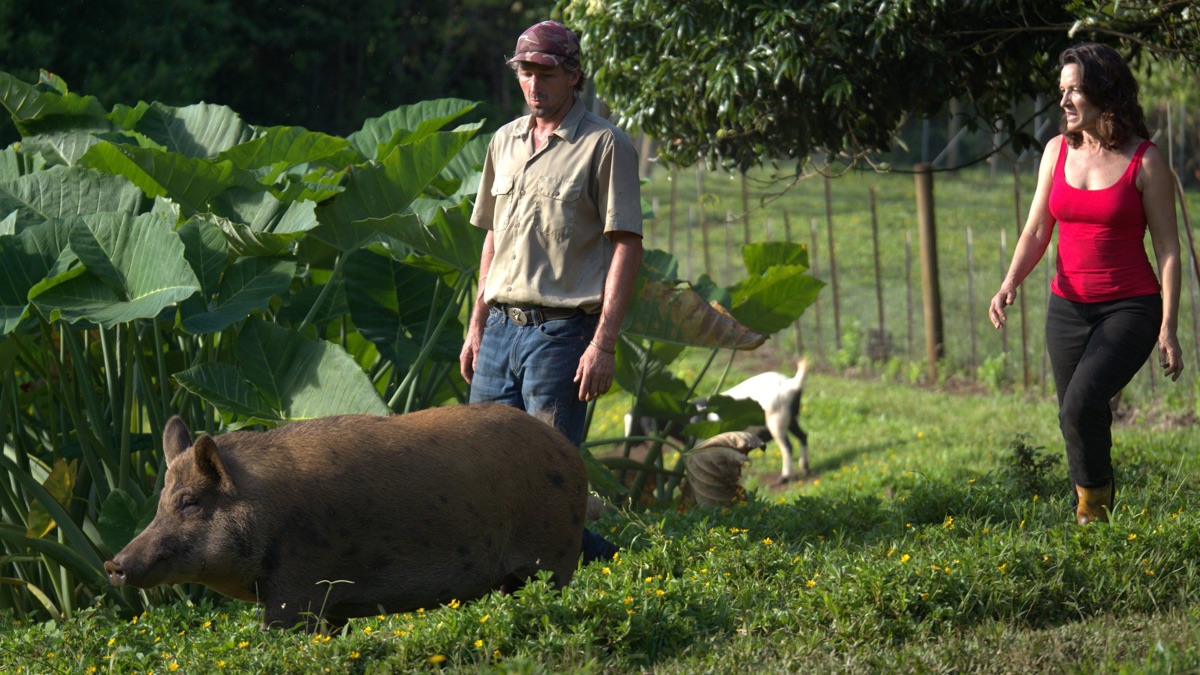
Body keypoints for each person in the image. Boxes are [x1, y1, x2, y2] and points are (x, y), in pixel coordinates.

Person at [460, 20, 644, 561]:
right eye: (525, 72)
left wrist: (603, 343)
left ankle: (594, 573)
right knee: (477, 468)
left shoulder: (604, 145)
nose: (533, 84)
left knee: (548, 482)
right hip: (498, 332)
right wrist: (476, 325)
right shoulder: (504, 142)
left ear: (573, 75)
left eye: (544, 72)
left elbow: (626, 245)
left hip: (562, 336)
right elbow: (494, 237)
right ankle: (501, 582)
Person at [989, 42, 1183, 525]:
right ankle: (1097, 500)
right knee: (1074, 415)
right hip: (1067, 307)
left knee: (1081, 404)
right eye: (1062, 91)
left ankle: (1091, 510)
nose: (1065, 101)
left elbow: (1168, 249)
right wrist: (1010, 281)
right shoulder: (1056, 152)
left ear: (1105, 91)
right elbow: (1036, 230)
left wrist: (1168, 326)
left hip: (1130, 308)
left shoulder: (1146, 160)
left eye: (1075, 90)